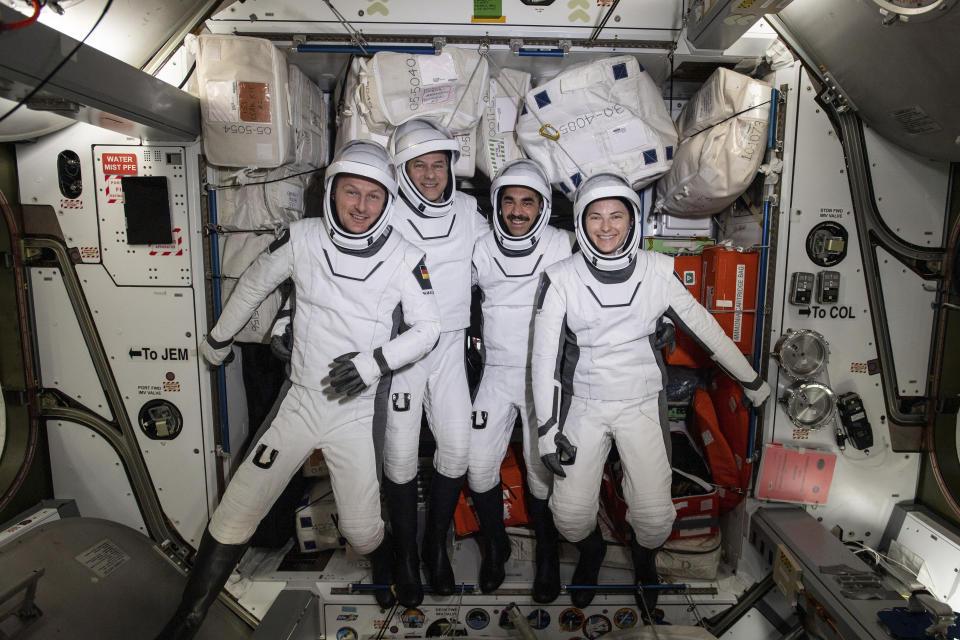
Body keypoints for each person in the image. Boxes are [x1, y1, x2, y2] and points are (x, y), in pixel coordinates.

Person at [155, 141, 441, 639]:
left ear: (388, 201)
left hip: (354, 409)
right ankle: (190, 614)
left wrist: (375, 363)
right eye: (350, 192)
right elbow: (253, 282)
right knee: (242, 501)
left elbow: (428, 327)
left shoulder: (406, 256)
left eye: (373, 196)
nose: (360, 205)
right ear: (331, 192)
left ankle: (385, 558)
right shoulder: (302, 238)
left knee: (358, 526)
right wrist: (219, 339)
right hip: (301, 401)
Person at [531, 173, 770, 616]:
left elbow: (705, 328)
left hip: (641, 403)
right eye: (595, 217)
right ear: (581, 223)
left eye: (616, 216)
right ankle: (591, 553)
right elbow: (543, 360)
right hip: (584, 405)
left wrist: (750, 379)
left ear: (631, 220)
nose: (606, 227)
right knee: (568, 516)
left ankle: (644, 563)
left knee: (655, 517)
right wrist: (547, 430)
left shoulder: (657, 271)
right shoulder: (560, 277)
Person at [382, 119, 488, 606]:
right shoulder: (384, 213)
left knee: (459, 450)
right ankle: (404, 556)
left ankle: (434, 545)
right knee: (401, 458)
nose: (429, 175)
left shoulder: (468, 210)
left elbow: (501, 262)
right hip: (404, 350)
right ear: (402, 170)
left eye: (437, 165)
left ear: (450, 166)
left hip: (450, 344)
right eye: (418, 166)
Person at [467, 159, 572, 600]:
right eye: (508, 200)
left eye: (527, 201)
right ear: (496, 204)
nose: (517, 210)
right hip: (494, 374)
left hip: (541, 378)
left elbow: (609, 283)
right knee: (476, 467)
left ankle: (547, 556)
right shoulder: (479, 245)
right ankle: (497, 547)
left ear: (543, 207)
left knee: (539, 473)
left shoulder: (564, 244)